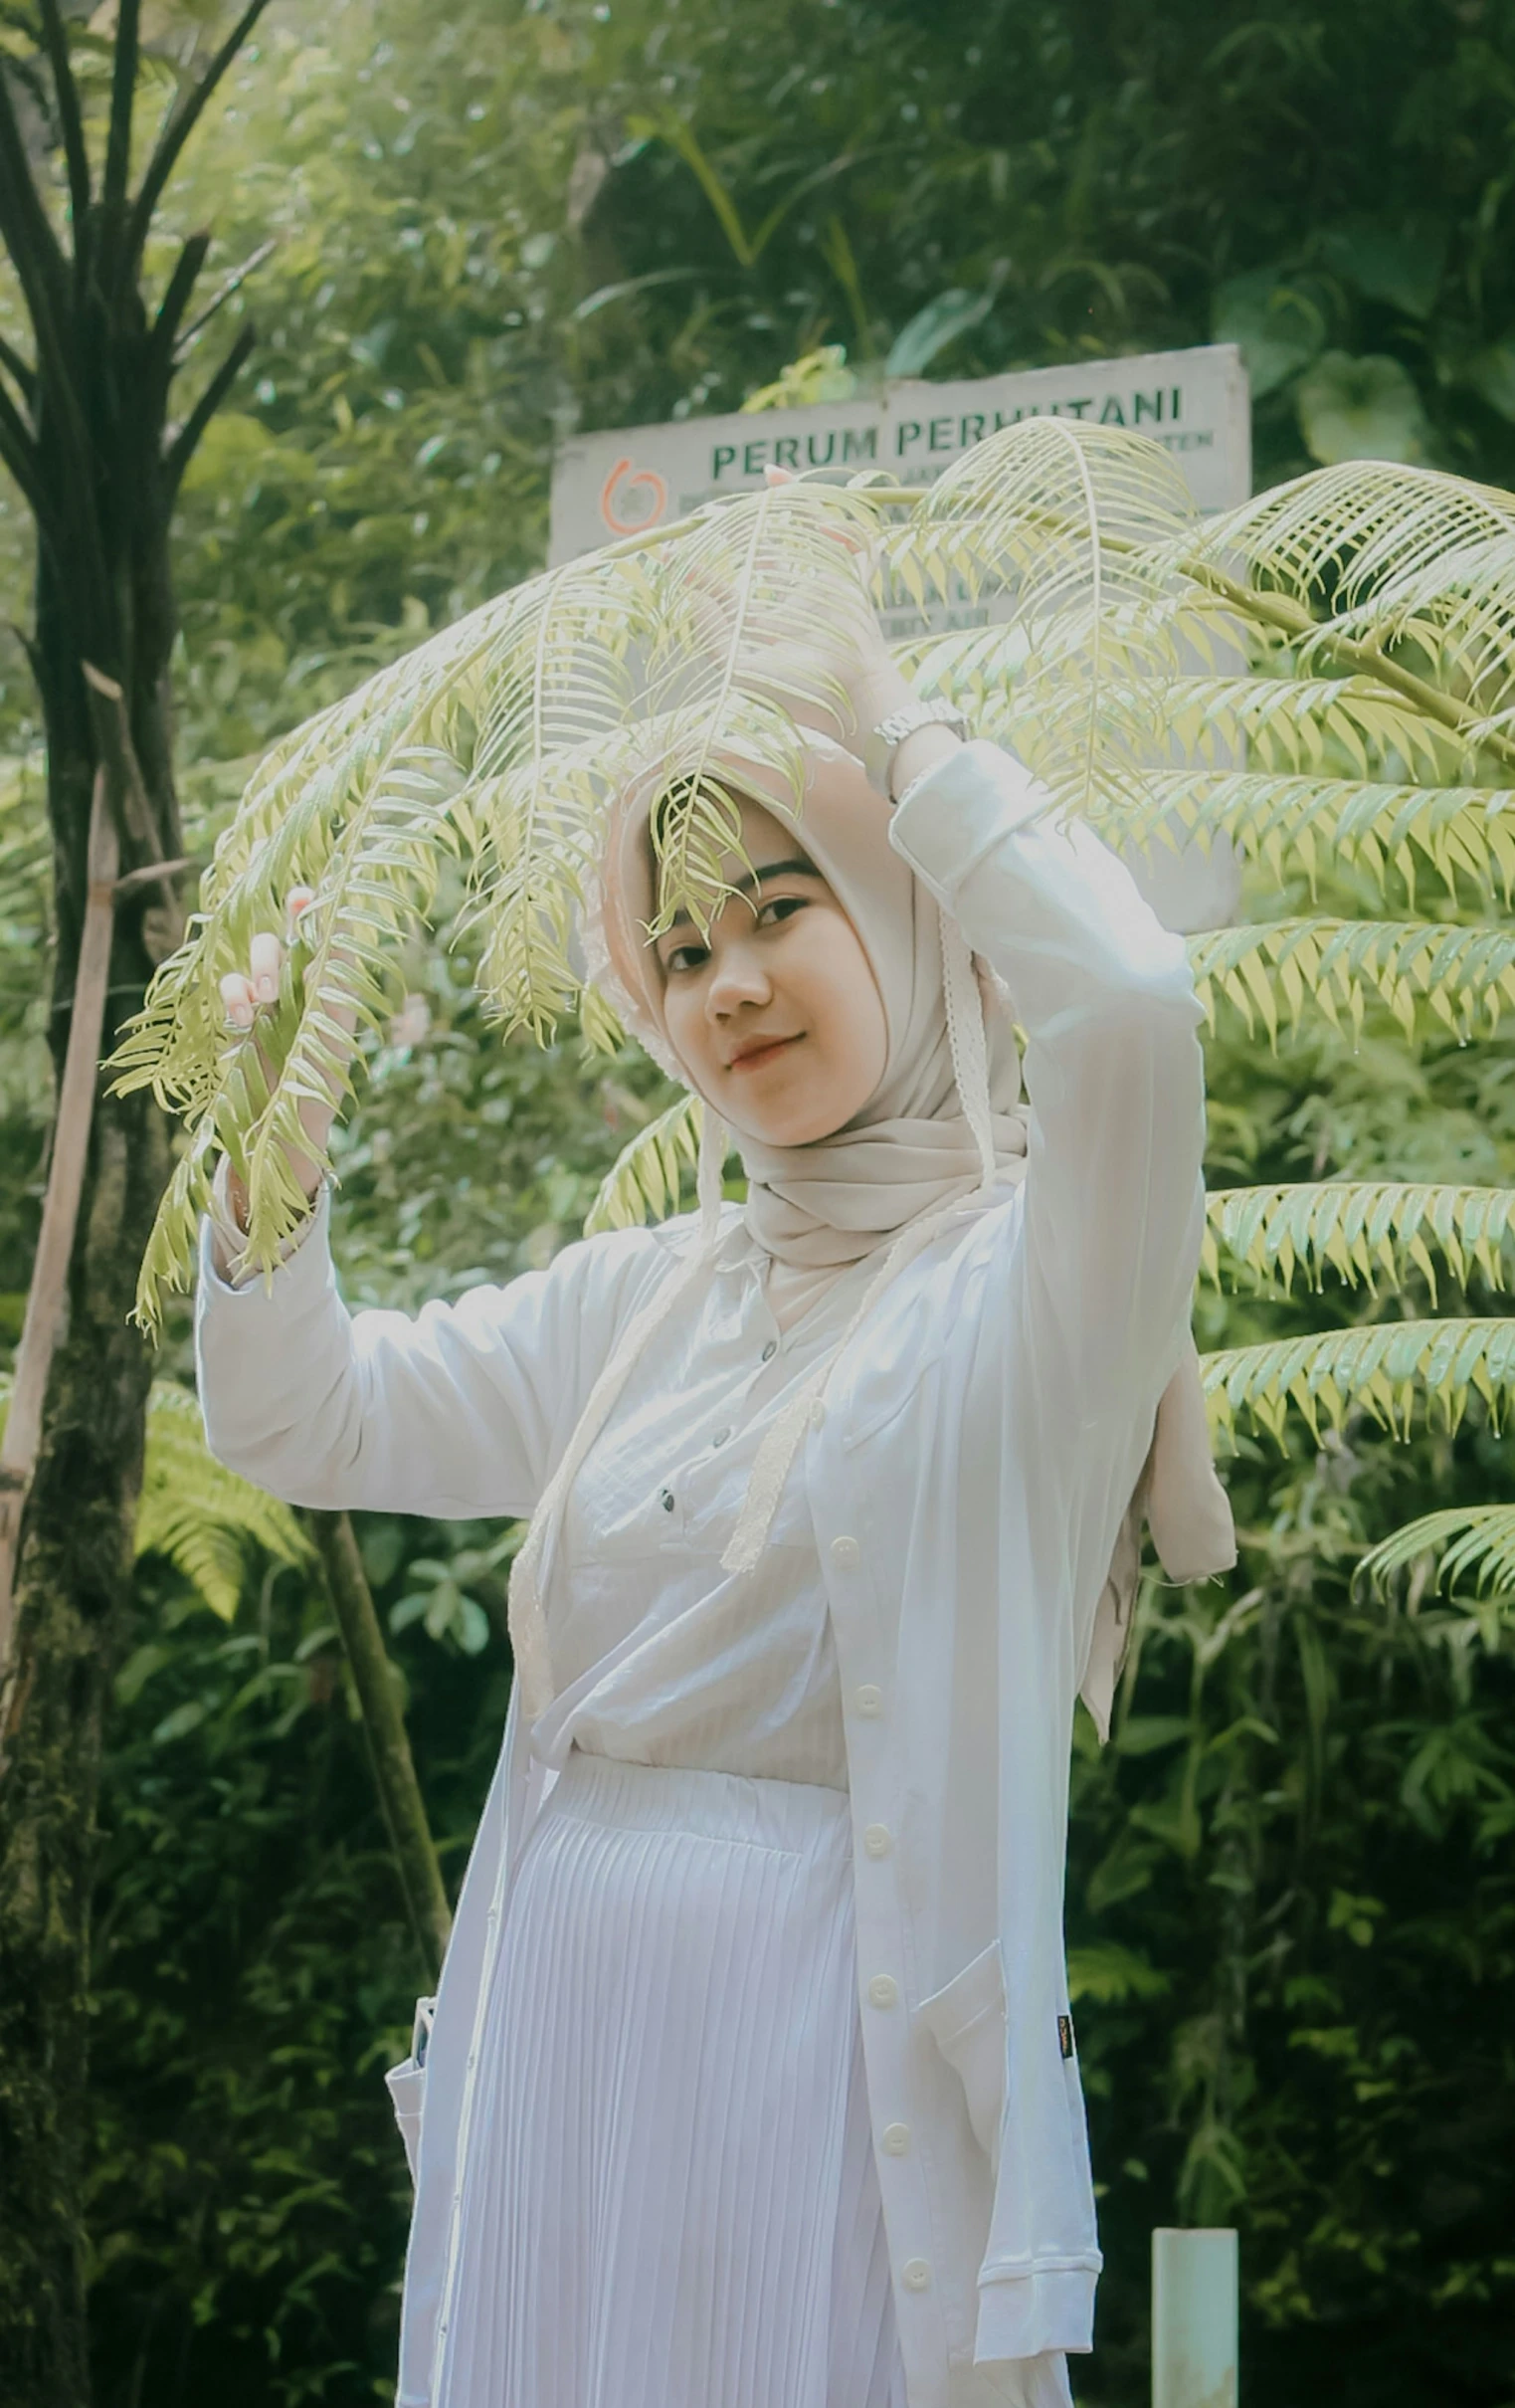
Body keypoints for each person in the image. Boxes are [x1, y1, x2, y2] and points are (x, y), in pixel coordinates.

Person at [197, 537, 1233, 2408]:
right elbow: (306, 1424)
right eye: (676, 948)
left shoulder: (1037, 1297)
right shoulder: (641, 1302)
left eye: (777, 910)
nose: (727, 983)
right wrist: (266, 1194)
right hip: (567, 2041)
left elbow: (1132, 1010)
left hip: (829, 2060)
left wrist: (895, 728)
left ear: (904, 911)